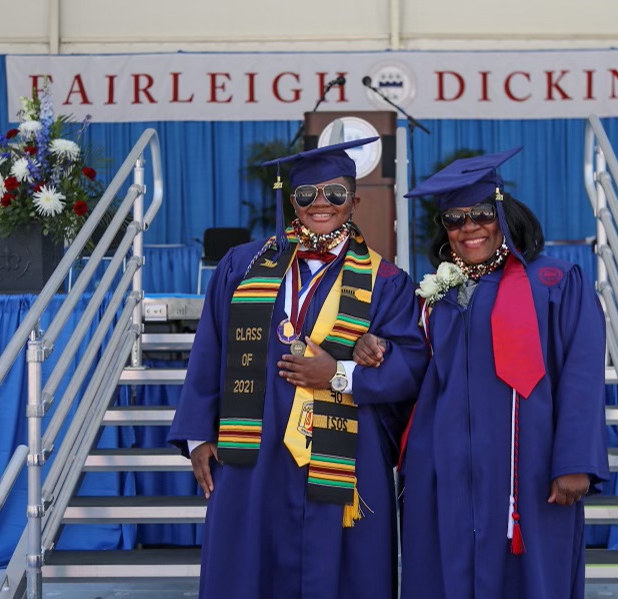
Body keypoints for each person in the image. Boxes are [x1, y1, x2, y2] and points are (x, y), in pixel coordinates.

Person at [167, 137, 428, 599]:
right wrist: (198, 434)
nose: (320, 204)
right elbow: (211, 346)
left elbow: (411, 365)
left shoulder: (386, 281)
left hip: (345, 453)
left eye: (335, 193)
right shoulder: (244, 265)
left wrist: (350, 369)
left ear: (355, 200)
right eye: (307, 195)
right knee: (250, 565)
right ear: (292, 201)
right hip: (255, 447)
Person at [355, 147, 610, 599]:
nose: (469, 227)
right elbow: (412, 370)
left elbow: (582, 375)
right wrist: (369, 346)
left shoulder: (554, 283)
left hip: (527, 469)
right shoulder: (436, 298)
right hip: (445, 469)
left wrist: (576, 461)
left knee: (531, 579)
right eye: (454, 219)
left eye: (480, 214)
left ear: (503, 213)